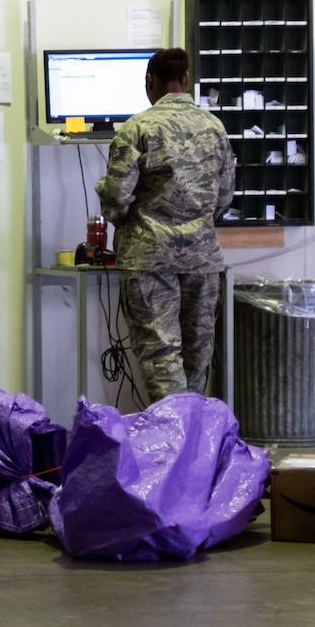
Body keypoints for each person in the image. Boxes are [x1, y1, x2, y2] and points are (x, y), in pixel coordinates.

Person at [94, 47, 235, 403]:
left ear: (149, 82)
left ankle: (172, 445)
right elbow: (224, 196)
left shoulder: (138, 128)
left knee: (160, 355)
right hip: (202, 260)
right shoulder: (215, 128)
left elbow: (115, 198)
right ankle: (193, 446)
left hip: (149, 260)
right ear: (186, 80)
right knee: (197, 355)